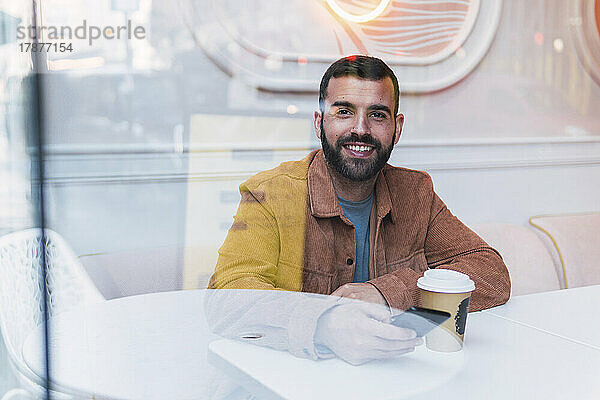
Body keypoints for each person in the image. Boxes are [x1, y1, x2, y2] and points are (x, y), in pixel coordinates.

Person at [206, 55, 510, 365]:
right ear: (319, 122)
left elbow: (491, 274)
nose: (360, 129)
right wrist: (324, 324)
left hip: (399, 377)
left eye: (377, 115)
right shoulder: (270, 194)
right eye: (344, 112)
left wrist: (387, 292)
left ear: (397, 127)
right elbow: (228, 298)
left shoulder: (416, 193)